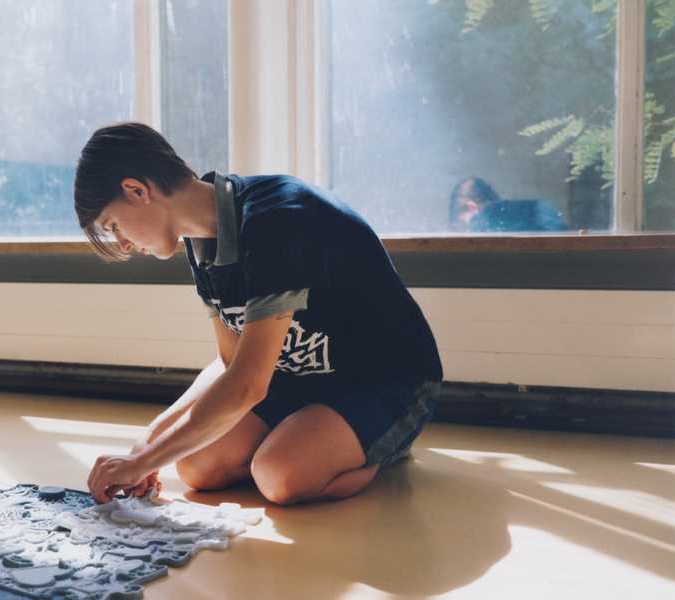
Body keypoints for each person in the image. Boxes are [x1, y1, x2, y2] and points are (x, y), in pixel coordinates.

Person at [74, 122, 443, 506]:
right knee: (197, 466)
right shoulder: (199, 244)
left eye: (114, 226)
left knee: (279, 474)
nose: (124, 244)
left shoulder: (278, 217)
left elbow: (248, 385)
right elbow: (228, 362)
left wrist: (146, 461)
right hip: (297, 378)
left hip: (383, 379)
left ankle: (382, 450)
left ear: (137, 191)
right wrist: (146, 445)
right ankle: (306, 440)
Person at [449, 176, 568, 232]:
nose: (468, 231)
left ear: (472, 207)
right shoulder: (541, 207)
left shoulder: (481, 223)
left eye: (466, 226)